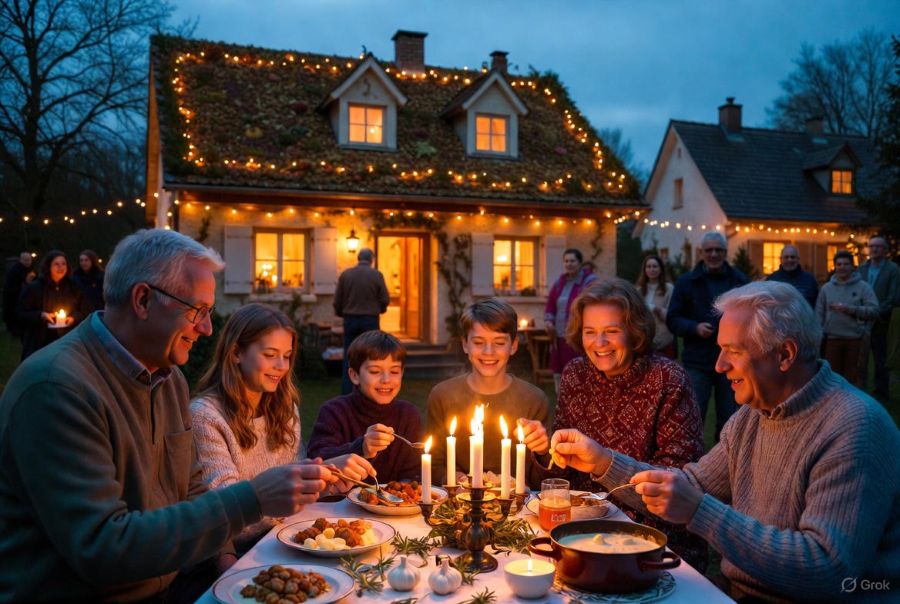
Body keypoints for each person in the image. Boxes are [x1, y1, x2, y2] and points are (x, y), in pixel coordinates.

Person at [0, 229, 343, 602]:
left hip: (167, 587)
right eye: (197, 311)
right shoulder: (57, 389)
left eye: (209, 313)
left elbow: (192, 488)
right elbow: (104, 550)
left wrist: (227, 557)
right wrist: (253, 499)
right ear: (143, 299)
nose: (207, 328)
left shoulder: (168, 378)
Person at [549, 281, 899, 603]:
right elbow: (692, 484)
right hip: (739, 594)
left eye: (733, 351)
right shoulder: (753, 415)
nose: (718, 366)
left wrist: (699, 510)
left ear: (785, 355)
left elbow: (827, 571)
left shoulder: (854, 427)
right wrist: (602, 462)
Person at [191, 303, 374, 554]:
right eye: (270, 354)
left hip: (288, 537)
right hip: (244, 551)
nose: (282, 365)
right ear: (236, 352)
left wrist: (329, 477)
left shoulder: (284, 408)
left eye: (287, 356)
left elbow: (294, 487)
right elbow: (226, 512)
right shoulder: (206, 417)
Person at [549, 278, 705, 567]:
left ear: (634, 332)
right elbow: (564, 467)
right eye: (590, 332)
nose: (599, 343)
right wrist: (541, 448)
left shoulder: (667, 379)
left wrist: (604, 463)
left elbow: (680, 484)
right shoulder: (575, 374)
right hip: (580, 530)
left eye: (611, 331)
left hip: (652, 541)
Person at [427, 298, 550, 487]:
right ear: (465, 344)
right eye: (478, 342)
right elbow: (433, 463)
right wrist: (454, 478)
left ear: (514, 345)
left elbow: (538, 479)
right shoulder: (442, 396)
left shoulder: (534, 400)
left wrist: (542, 451)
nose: (488, 351)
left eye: (499, 342)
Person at [307, 330, 422, 482]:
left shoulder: (408, 415)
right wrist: (360, 448)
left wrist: (403, 492)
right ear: (354, 376)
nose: (386, 379)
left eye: (394, 371)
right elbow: (317, 458)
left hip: (397, 503)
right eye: (375, 371)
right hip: (338, 503)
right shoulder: (334, 411)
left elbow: (413, 471)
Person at [667, 231, 748, 441]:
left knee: (730, 417)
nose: (714, 254)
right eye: (709, 250)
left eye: (718, 250)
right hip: (697, 360)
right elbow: (673, 318)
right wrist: (694, 328)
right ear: (701, 252)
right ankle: (692, 461)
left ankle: (726, 464)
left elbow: (751, 315)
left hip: (732, 361)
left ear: (725, 252)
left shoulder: (739, 281)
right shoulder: (686, 282)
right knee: (693, 416)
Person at [815, 250, 878, 386]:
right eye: (839, 264)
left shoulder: (863, 287)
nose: (842, 267)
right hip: (832, 339)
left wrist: (851, 309)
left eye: (846, 264)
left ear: (852, 266)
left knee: (854, 376)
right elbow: (818, 315)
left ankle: (857, 405)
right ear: (834, 267)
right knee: (832, 377)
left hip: (856, 339)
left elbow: (874, 310)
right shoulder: (826, 289)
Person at [333, 247, 390, 394]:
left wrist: (342, 313)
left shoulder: (346, 275)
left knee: (349, 356)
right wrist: (379, 310)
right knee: (372, 356)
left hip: (350, 320)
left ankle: (347, 392)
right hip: (370, 320)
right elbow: (384, 299)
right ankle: (369, 389)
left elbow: (337, 301)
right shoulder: (377, 275)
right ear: (372, 260)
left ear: (358, 258)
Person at [16, 249, 90, 360]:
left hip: (68, 341)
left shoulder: (74, 287)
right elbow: (20, 312)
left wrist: (73, 318)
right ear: (48, 266)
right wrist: (41, 315)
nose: (61, 267)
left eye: (63, 264)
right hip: (41, 342)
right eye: (56, 264)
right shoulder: (36, 287)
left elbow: (85, 310)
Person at [544, 248, 598, 391]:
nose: (569, 264)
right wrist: (549, 321)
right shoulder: (559, 283)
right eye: (566, 261)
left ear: (580, 263)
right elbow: (550, 305)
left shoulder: (589, 281)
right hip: (560, 334)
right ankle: (562, 395)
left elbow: (590, 304)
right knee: (560, 366)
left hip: (578, 333)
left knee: (577, 366)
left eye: (572, 261)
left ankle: (580, 393)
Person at [858, 235, 900, 401]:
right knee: (861, 359)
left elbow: (894, 296)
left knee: (880, 358)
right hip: (861, 320)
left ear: (885, 250)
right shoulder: (862, 269)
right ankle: (860, 392)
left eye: (878, 246)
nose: (874, 249)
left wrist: (876, 312)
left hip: (882, 320)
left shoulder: (893, 270)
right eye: (872, 246)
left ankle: (882, 393)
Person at [635, 254, 676, 358]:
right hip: (644, 340)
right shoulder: (638, 290)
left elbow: (672, 316)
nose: (651, 269)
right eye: (648, 267)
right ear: (644, 270)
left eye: (655, 266)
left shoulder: (669, 288)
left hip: (664, 340)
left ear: (661, 269)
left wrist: (654, 308)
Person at [2, 251, 34, 337]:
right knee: (13, 313)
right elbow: (26, 280)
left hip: (18, 295)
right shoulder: (17, 269)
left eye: (29, 260)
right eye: (25, 260)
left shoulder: (28, 269)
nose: (28, 262)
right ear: (21, 260)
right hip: (13, 296)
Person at [71, 249, 105, 313]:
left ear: (92, 261)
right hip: (81, 312)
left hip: (97, 311)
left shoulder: (100, 277)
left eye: (86, 260)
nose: (83, 263)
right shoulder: (75, 277)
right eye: (81, 260)